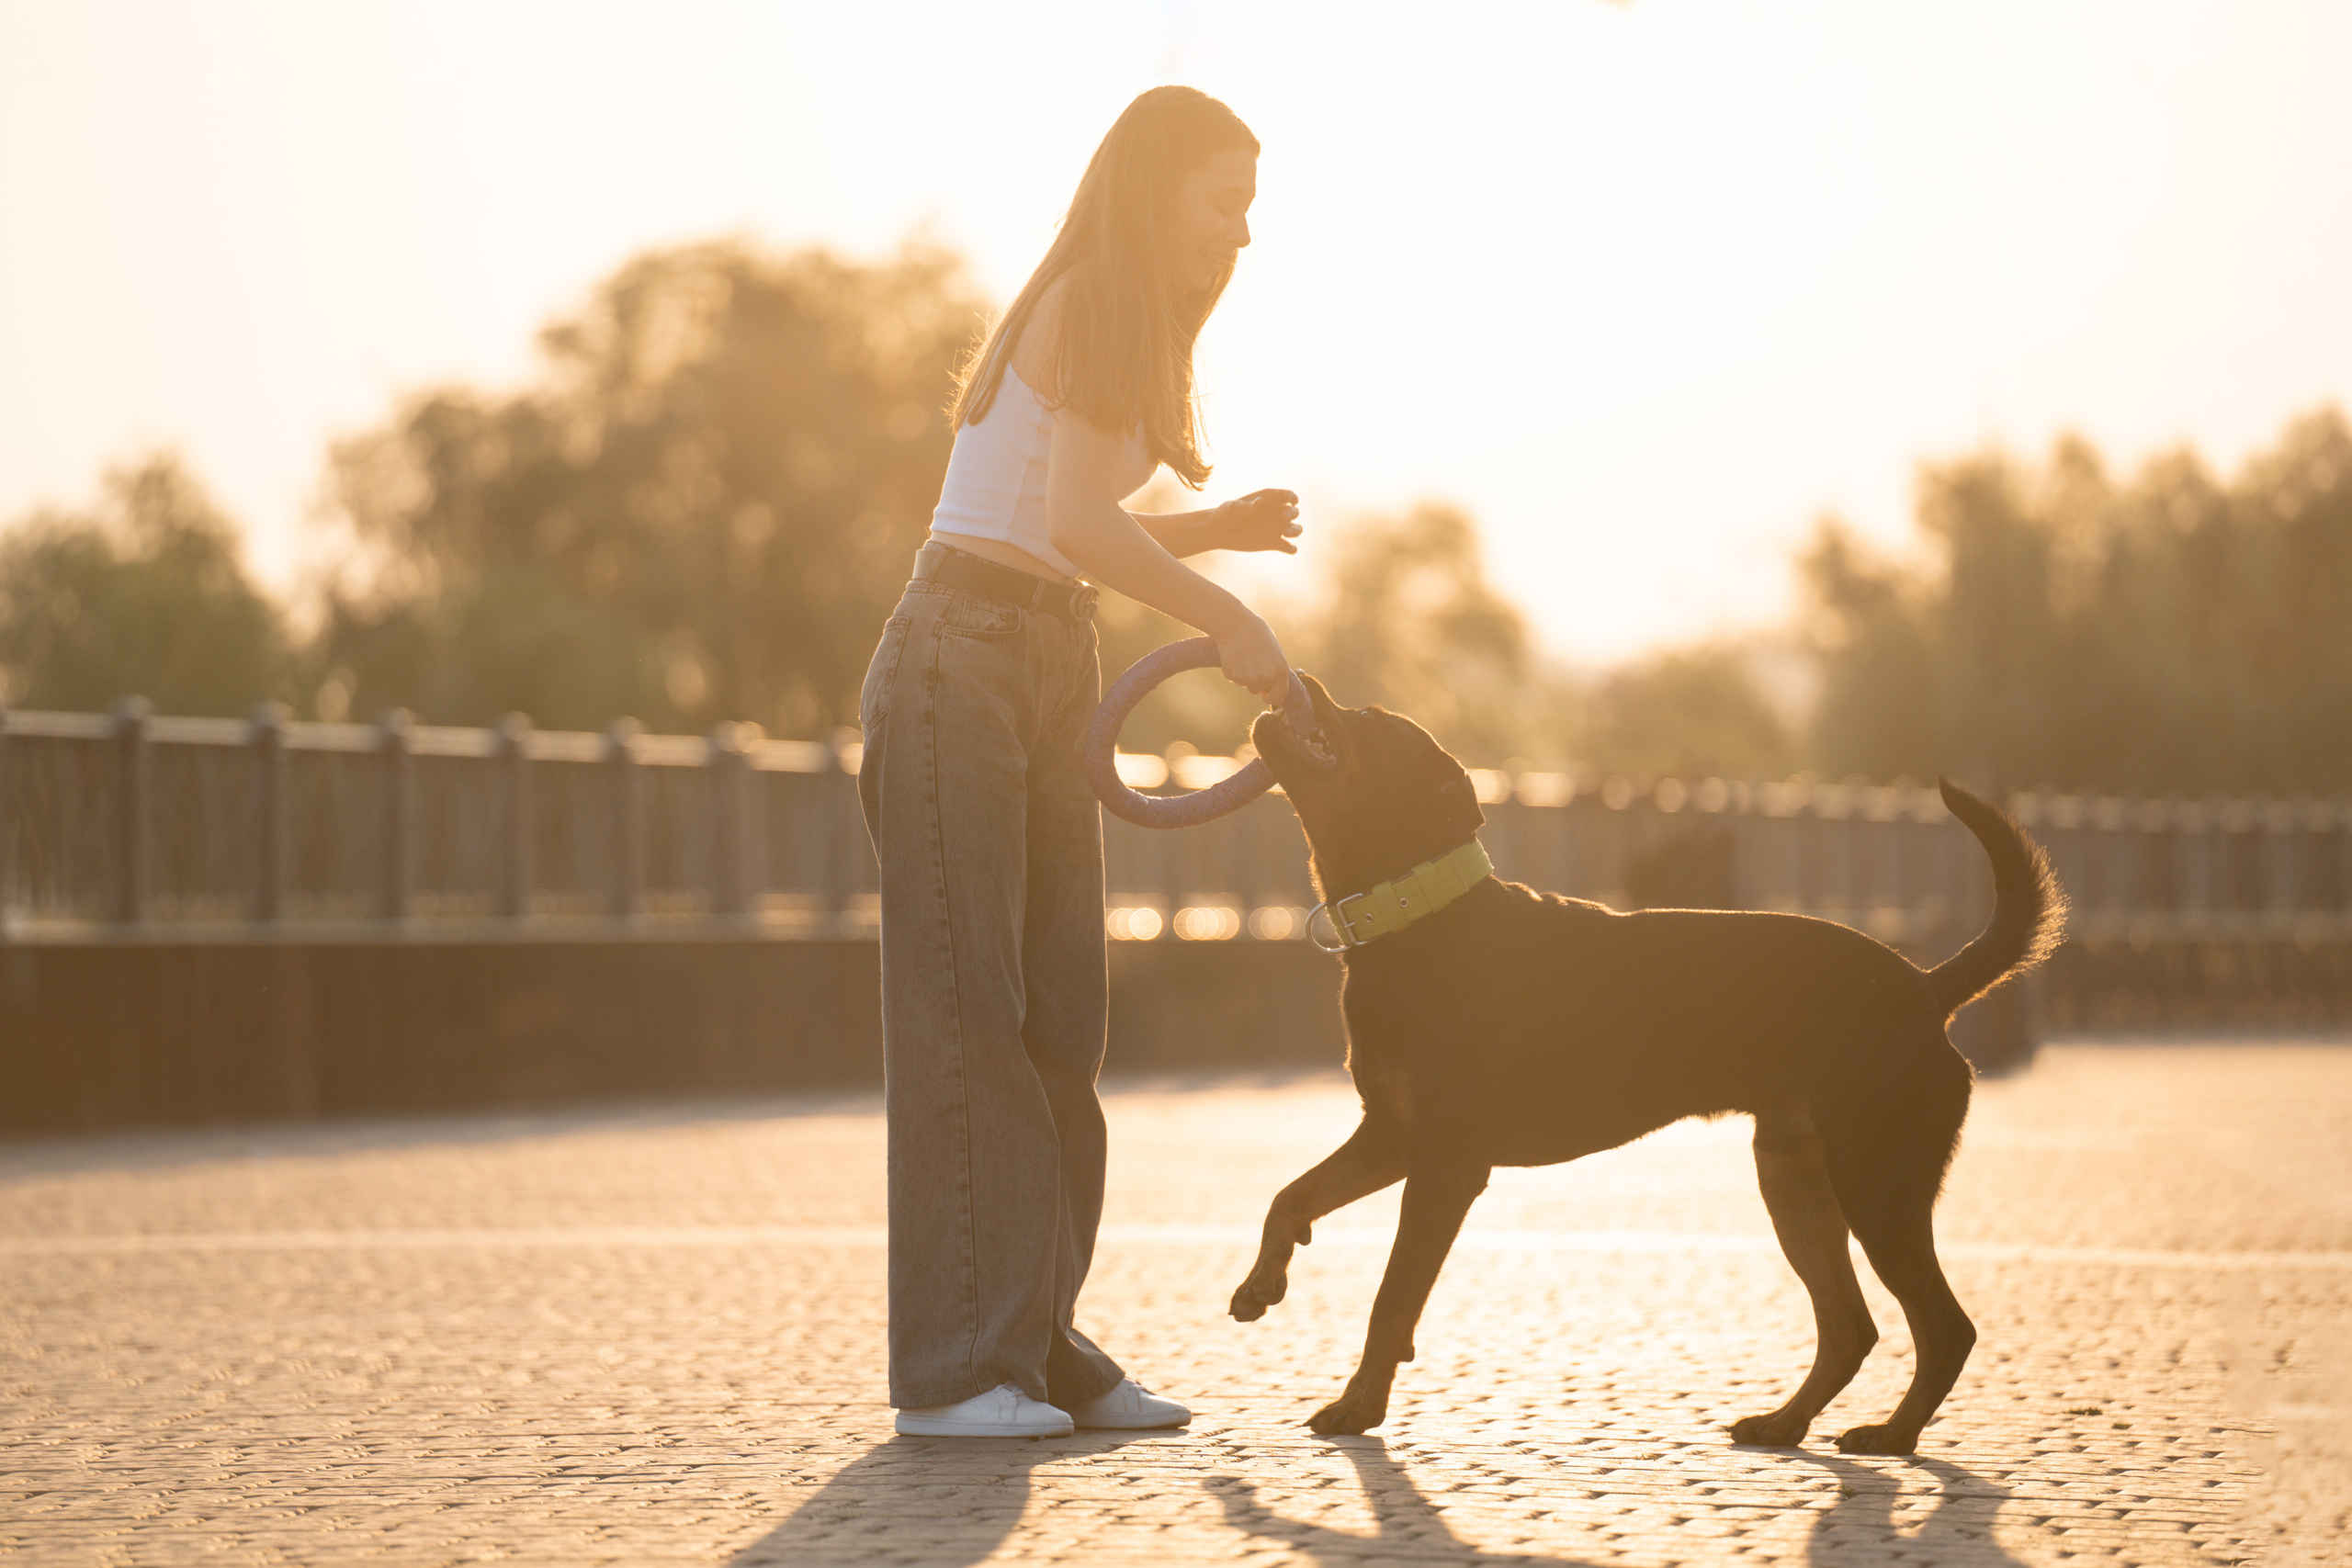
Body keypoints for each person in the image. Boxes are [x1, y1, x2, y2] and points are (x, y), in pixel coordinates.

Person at [855, 85, 1303, 1438]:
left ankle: (1035, 1346)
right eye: (1225, 202)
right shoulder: (1099, 293)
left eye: (1252, 210)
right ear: (1155, 189)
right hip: (961, 660)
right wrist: (1226, 614)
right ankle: (953, 1372)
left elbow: (1081, 512)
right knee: (967, 1017)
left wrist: (1208, 528)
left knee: (1062, 1020)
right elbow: (1070, 521)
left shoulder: (1124, 314)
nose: (1243, 233)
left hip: (1046, 655)